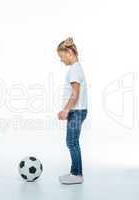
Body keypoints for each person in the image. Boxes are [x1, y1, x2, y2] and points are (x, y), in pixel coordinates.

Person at [57, 37, 88, 184]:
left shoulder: (75, 70)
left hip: (76, 111)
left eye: (62, 57)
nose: (61, 60)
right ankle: (74, 173)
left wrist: (65, 110)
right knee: (72, 142)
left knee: (72, 142)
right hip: (77, 111)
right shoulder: (76, 68)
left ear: (69, 52)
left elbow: (74, 94)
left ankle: (77, 175)